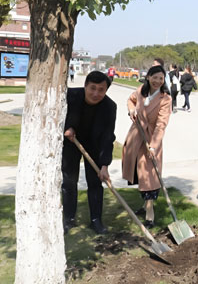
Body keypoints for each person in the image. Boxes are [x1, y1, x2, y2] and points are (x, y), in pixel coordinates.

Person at [62, 71, 117, 235]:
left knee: (95, 182)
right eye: (92, 88)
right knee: (69, 181)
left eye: (101, 90)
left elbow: (108, 136)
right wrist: (67, 127)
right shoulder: (70, 96)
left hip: (95, 145)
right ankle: (69, 218)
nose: (96, 93)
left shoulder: (109, 107)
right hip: (71, 142)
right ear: (85, 85)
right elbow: (57, 116)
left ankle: (96, 220)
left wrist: (104, 165)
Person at [122, 65, 172, 228]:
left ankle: (150, 214)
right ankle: (145, 206)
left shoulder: (165, 99)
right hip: (136, 136)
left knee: (149, 176)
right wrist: (131, 110)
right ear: (148, 77)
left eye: (161, 78)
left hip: (151, 140)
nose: (157, 81)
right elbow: (130, 100)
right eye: (154, 77)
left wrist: (153, 146)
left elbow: (161, 125)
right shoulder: (140, 91)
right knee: (139, 173)